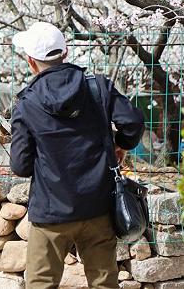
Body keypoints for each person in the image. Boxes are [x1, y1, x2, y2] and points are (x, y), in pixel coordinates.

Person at [10, 22, 144, 289]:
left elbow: (21, 166)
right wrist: (121, 144)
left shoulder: (27, 103)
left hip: (51, 211)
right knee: (104, 282)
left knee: (41, 283)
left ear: (31, 62)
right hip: (98, 207)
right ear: (66, 52)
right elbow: (133, 123)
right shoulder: (97, 87)